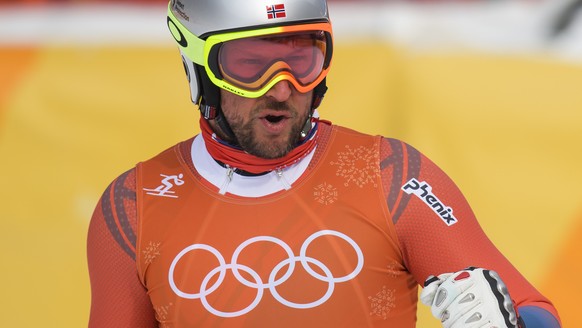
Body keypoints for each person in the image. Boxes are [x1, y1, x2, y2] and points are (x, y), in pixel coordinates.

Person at [86, 0, 561, 327]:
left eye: (302, 59)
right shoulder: (133, 206)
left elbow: (533, 306)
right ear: (199, 69)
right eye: (251, 65)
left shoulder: (390, 176)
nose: (281, 86)